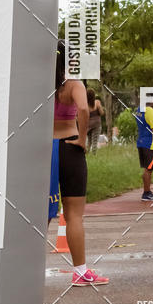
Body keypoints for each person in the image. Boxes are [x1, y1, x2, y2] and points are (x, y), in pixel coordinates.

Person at [52, 41, 109, 286]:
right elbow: (84, 109)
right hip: (69, 147)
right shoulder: (73, 83)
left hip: (45, 150)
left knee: (40, 213)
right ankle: (80, 271)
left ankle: (23, 273)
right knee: (74, 214)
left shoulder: (42, 83)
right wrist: (83, 139)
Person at [135, 95, 153, 201]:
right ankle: (146, 193)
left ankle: (147, 191)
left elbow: (146, 124)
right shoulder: (151, 111)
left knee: (146, 168)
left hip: (141, 142)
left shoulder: (139, 109)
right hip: (150, 144)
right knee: (148, 169)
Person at [86, 88, 103, 153]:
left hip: (88, 125)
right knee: (94, 141)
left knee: (89, 142)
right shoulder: (97, 102)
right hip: (96, 125)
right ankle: (94, 154)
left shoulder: (85, 105)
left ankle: (86, 155)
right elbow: (101, 113)